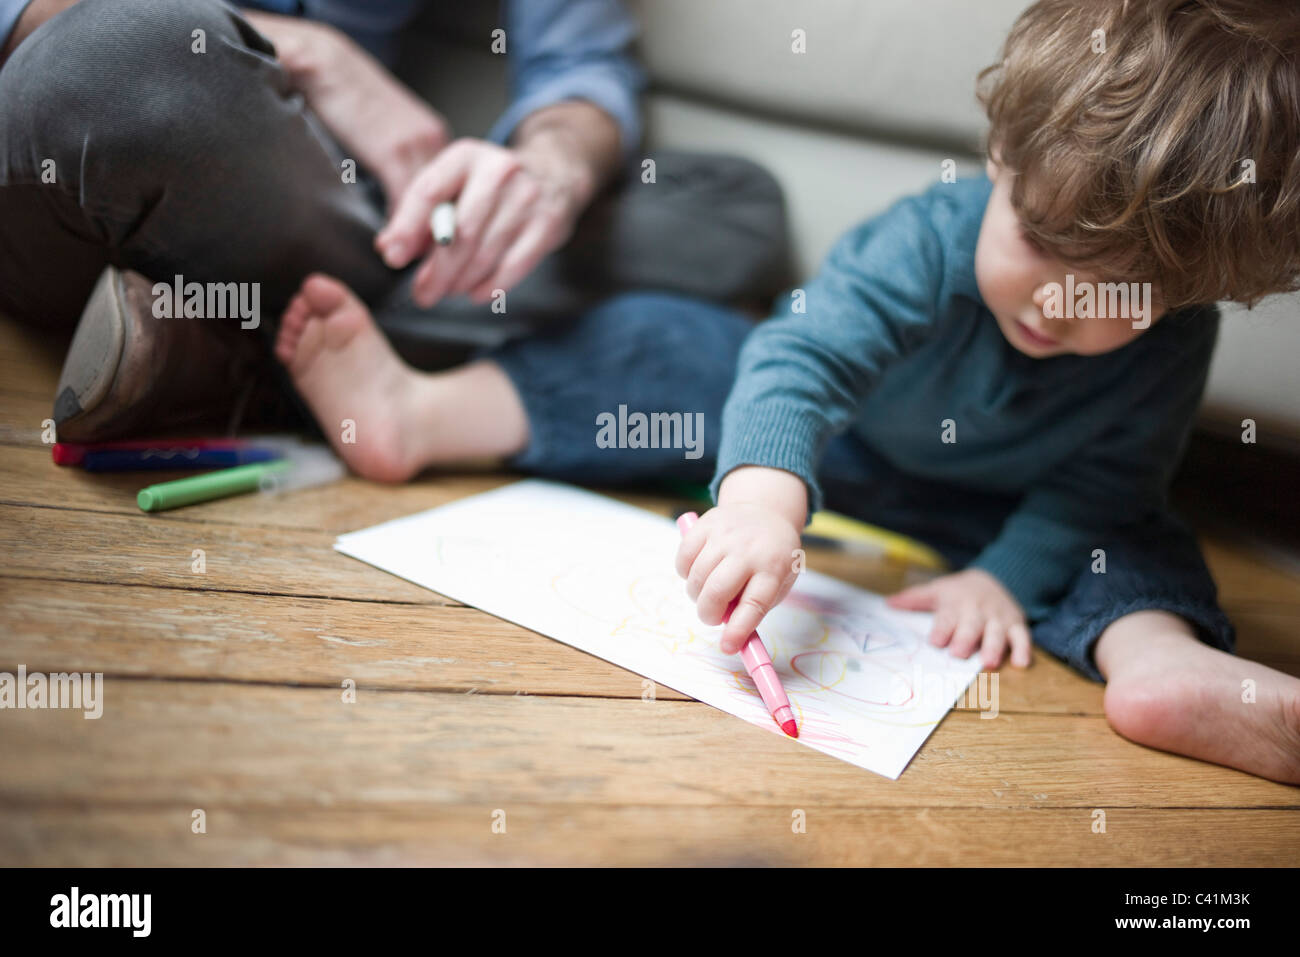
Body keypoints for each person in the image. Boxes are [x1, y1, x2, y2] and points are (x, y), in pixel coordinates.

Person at [269, 0, 1300, 783]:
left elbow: (1104, 486)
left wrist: (1007, 579)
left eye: (1121, 293)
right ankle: (419, 413)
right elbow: (802, 363)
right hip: (837, 451)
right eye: (1033, 239)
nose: (1057, 303)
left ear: (1191, 293)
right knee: (672, 343)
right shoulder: (928, 239)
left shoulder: (1176, 337)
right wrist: (763, 500)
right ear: (999, 159)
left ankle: (1160, 664)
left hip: (1006, 515)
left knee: (1134, 539)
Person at [0, 0, 788, 438]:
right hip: (116, 137)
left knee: (733, 206)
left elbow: (582, 66)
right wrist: (311, 52)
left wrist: (551, 169)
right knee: (114, 61)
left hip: (344, 216)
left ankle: (236, 352)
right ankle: (304, 365)